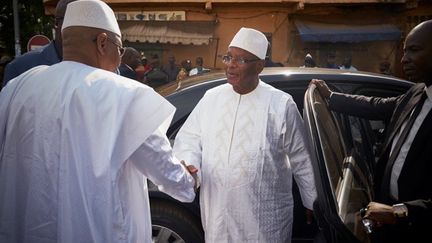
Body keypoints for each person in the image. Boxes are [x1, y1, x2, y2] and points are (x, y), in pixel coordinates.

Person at [0, 1, 197, 242]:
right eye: (120, 49)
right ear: (103, 42)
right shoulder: (125, 95)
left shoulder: (18, 87)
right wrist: (189, 180)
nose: (120, 58)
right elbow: (165, 170)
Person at [173, 27, 317, 243]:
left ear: (259, 66)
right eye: (228, 57)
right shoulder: (211, 98)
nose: (231, 64)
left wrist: (312, 201)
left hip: (264, 218)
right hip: (218, 215)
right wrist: (190, 166)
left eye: (240, 60)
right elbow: (189, 139)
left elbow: (301, 158)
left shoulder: (280, 103)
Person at [310, 20, 432, 243]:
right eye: (404, 51)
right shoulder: (417, 92)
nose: (404, 59)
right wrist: (331, 97)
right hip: (387, 224)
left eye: (414, 50)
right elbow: (376, 105)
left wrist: (399, 211)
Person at [2, 0, 76, 87]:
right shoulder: (20, 68)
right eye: (73, 19)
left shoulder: (94, 68)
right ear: (56, 23)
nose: (82, 27)